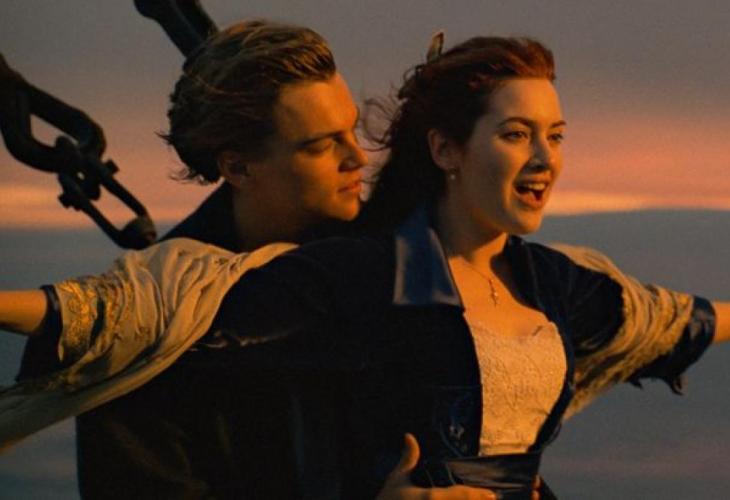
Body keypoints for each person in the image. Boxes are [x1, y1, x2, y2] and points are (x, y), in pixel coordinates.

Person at [2, 32, 728, 499]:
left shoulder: (401, 262)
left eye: (353, 130)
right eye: (322, 145)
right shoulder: (148, 349)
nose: (357, 157)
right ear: (239, 166)